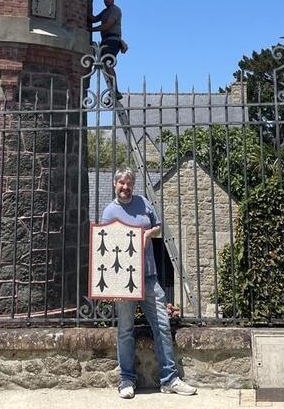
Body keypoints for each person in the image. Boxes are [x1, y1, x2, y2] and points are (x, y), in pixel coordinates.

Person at [101, 168, 197, 399]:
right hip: (124, 280)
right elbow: (103, 245)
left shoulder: (143, 202)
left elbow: (158, 225)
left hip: (150, 276)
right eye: (121, 183)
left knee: (162, 326)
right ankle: (126, 379)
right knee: (125, 330)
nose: (125, 187)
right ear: (115, 184)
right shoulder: (109, 211)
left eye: (129, 183)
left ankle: (169, 379)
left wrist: (147, 234)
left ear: (133, 185)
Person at [88, 0, 125, 97]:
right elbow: (94, 19)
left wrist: (90, 30)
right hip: (105, 41)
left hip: (113, 40)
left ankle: (115, 90)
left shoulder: (115, 10)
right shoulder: (105, 11)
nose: (106, 0)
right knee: (104, 62)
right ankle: (113, 89)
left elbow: (107, 25)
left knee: (108, 62)